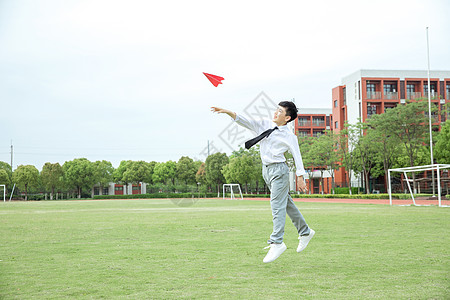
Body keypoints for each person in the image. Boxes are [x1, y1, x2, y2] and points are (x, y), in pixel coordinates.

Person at [211, 101, 315, 263]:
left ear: (287, 118)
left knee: (276, 205)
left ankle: (277, 242)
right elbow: (247, 121)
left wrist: (300, 177)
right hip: (266, 170)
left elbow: (297, 156)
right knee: (285, 204)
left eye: (279, 112)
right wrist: (229, 112)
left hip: (279, 171)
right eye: (276, 110)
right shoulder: (265, 124)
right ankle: (305, 231)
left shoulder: (289, 136)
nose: (275, 113)